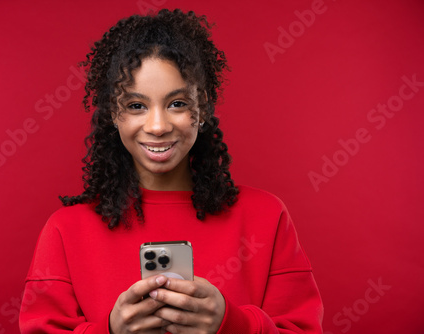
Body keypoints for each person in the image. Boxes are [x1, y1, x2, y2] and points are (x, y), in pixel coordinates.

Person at [19, 8, 324, 334]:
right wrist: (111, 331)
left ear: (203, 107)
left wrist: (230, 323)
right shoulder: (65, 231)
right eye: (136, 106)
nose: (158, 126)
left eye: (176, 103)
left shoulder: (266, 217)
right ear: (114, 114)